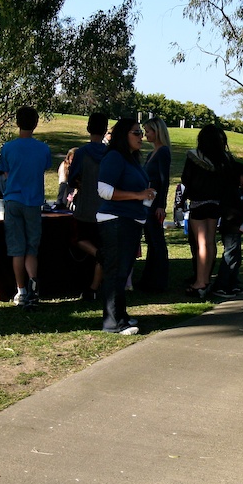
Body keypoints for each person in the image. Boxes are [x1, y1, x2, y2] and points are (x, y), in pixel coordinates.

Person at [96, 118, 155, 335]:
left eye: (141, 133)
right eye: (136, 133)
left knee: (122, 272)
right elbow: (103, 190)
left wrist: (145, 195)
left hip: (130, 221)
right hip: (115, 220)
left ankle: (121, 316)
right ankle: (112, 322)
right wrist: (138, 195)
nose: (141, 137)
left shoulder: (131, 159)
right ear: (124, 135)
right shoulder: (114, 157)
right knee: (115, 272)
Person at [0, 106, 52, 308]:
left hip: (13, 199)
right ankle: (33, 287)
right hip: (33, 201)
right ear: (36, 123)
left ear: (17, 122)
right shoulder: (43, 149)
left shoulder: (8, 147)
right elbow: (45, 167)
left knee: (16, 249)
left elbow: (4, 172)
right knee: (31, 249)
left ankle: (21, 291)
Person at [181, 124, 235, 298]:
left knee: (201, 243)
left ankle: (200, 282)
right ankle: (206, 280)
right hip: (216, 204)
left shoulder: (194, 156)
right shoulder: (224, 159)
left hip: (198, 203)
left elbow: (185, 179)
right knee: (210, 242)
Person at [68, 113, 110, 301]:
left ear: (88, 128)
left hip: (85, 207)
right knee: (102, 244)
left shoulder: (82, 153)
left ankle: (97, 256)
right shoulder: (110, 153)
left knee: (78, 240)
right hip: (105, 206)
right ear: (104, 130)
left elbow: (72, 178)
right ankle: (94, 287)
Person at [137, 117, 172, 292]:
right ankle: (150, 279)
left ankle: (158, 281)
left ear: (157, 131)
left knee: (156, 241)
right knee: (151, 240)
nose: (145, 135)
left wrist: (161, 205)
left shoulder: (163, 152)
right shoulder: (152, 153)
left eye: (148, 131)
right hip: (147, 202)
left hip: (154, 203)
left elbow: (164, 180)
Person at [212, 161, 243, 298]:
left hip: (238, 228)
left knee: (236, 256)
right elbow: (229, 212)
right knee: (229, 255)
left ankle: (233, 283)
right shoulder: (229, 191)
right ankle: (221, 285)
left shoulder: (238, 190)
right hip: (231, 228)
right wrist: (240, 220)